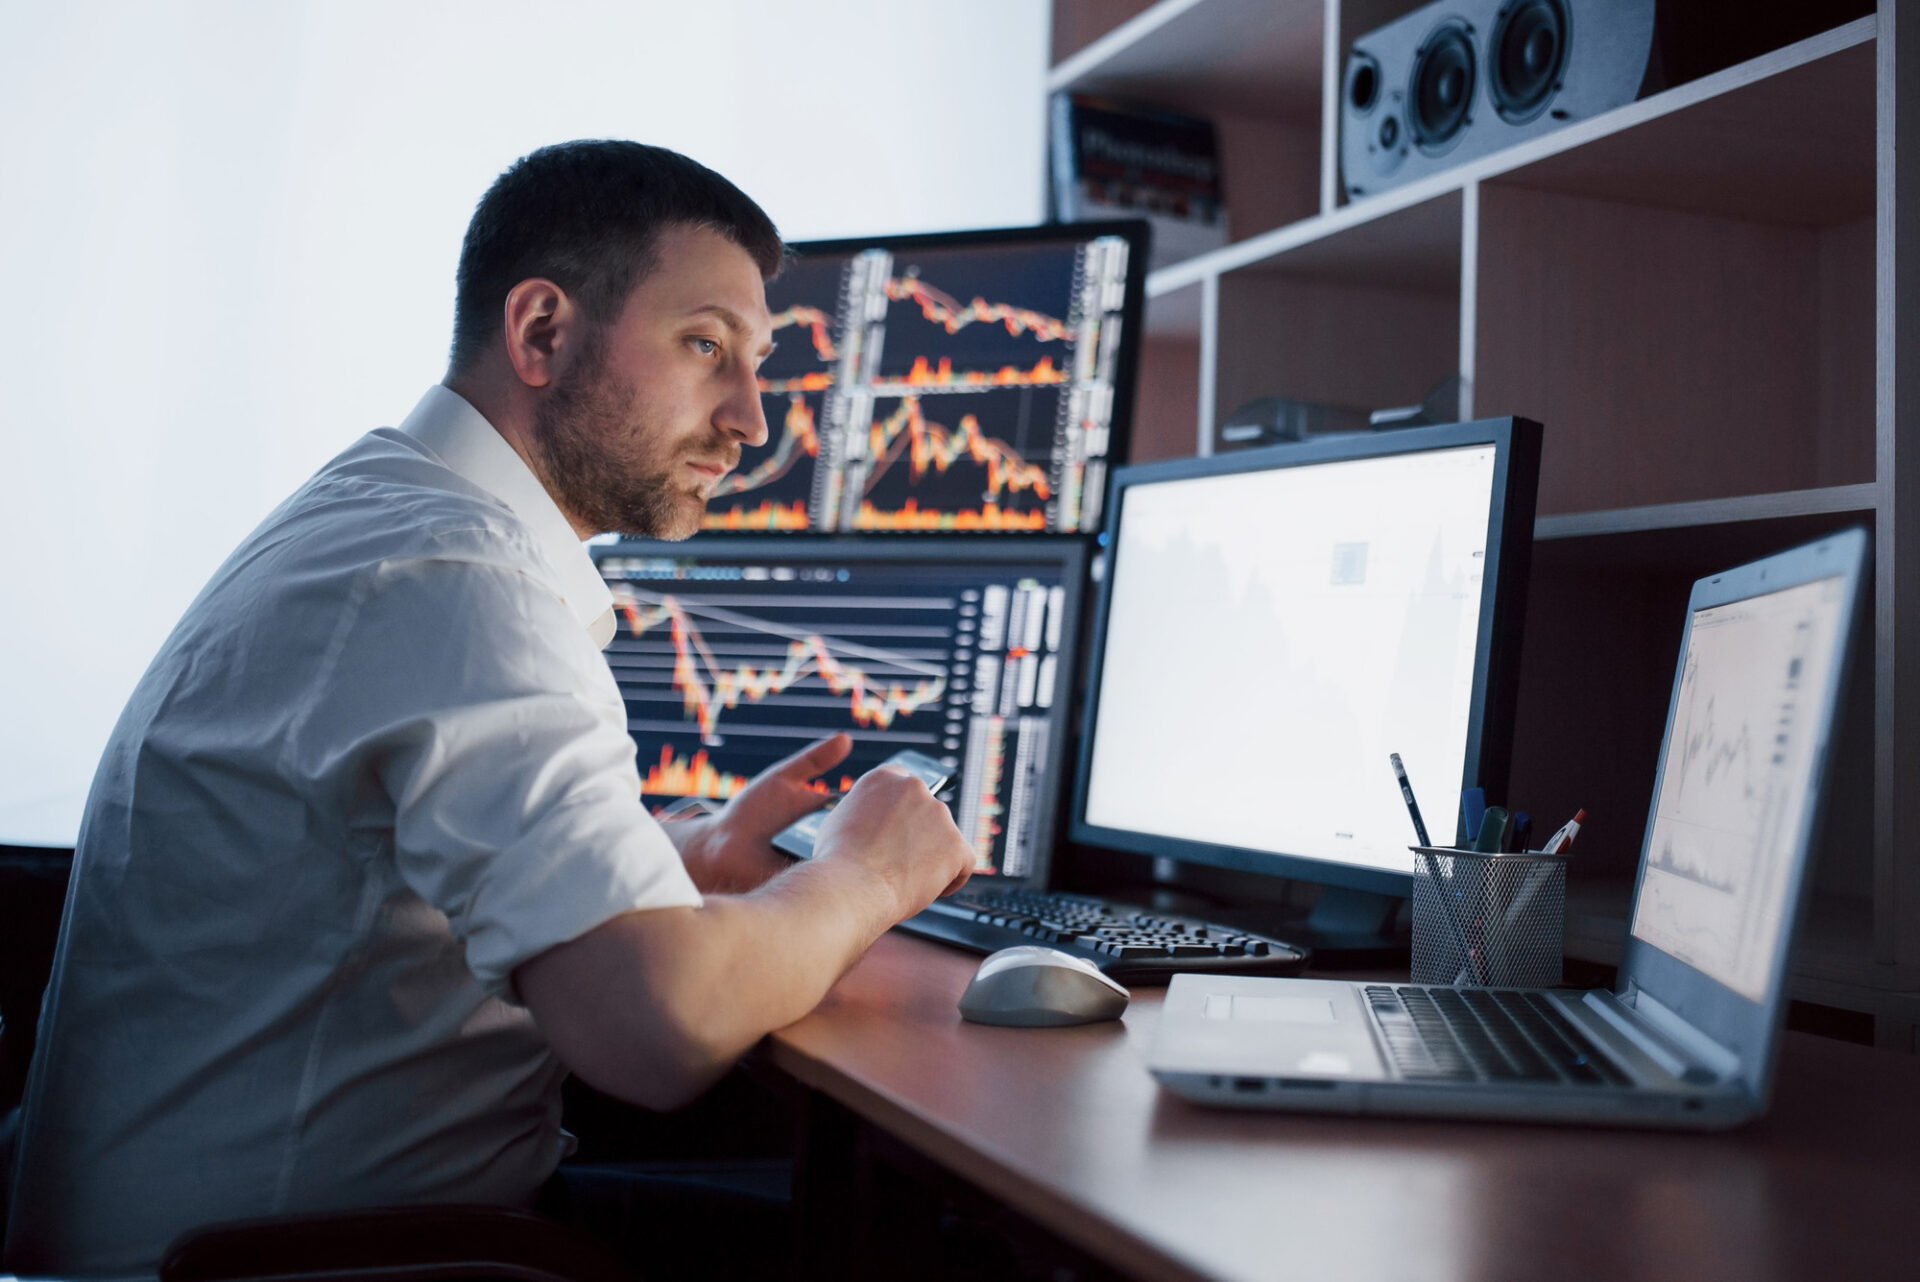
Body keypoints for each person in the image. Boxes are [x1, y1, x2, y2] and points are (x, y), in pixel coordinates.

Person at [3, 140, 975, 1275]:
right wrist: (867, 873)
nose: (751, 421)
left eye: (754, 362)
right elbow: (659, 1028)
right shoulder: (457, 574)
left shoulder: (383, 514)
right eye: (706, 347)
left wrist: (692, 852)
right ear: (542, 333)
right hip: (303, 1264)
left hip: (235, 1239)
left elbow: (391, 857)